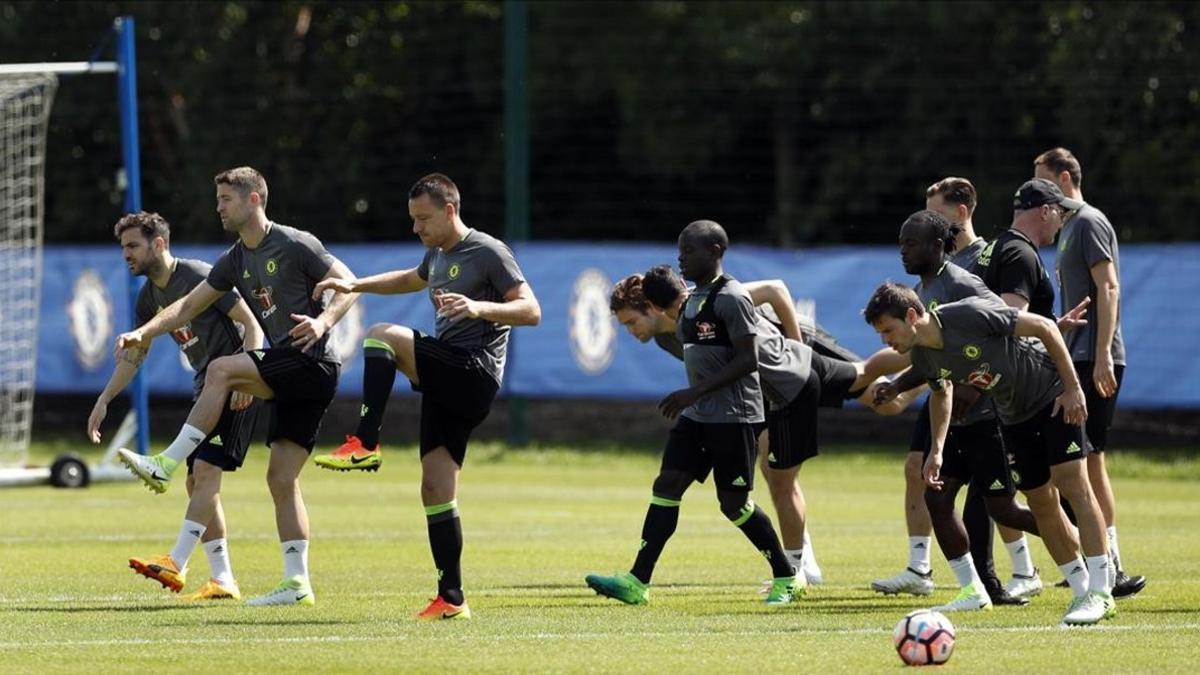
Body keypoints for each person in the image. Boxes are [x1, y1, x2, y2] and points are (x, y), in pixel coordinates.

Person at [115, 167, 359, 606]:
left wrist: (324, 320)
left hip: (312, 362)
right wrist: (145, 333)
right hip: (291, 372)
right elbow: (186, 307)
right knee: (281, 478)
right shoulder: (233, 259)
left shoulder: (294, 243)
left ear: (254, 200)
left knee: (221, 370)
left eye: (226, 198)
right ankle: (297, 583)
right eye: (218, 199)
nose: (219, 207)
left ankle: (168, 463)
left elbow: (349, 282)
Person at [311, 173, 541, 621]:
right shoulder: (436, 253)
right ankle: (451, 598)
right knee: (435, 487)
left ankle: (365, 442)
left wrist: (479, 308)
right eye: (413, 219)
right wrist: (354, 286)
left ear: (450, 210)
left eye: (423, 218)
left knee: (381, 337)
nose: (416, 228)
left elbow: (531, 310)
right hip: (447, 377)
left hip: (473, 369)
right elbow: (410, 279)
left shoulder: (489, 251)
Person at [609, 274, 916, 587]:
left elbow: (776, 290)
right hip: (764, 384)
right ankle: (800, 560)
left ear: (652, 307)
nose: (631, 332)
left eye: (631, 322)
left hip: (794, 349)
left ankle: (932, 358)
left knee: (889, 402)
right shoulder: (664, 336)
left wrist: (796, 348)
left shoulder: (706, 300)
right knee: (773, 467)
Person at [866, 279, 1117, 626]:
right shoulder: (924, 356)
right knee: (1041, 501)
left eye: (888, 330)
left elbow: (1043, 327)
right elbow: (942, 395)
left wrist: (1073, 388)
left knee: (1071, 484)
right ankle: (1081, 592)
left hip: (1052, 394)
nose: (885, 340)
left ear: (911, 315)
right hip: (1013, 415)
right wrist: (936, 452)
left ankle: (1102, 591)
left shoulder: (968, 314)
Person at [585, 221, 801, 607]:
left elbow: (748, 359)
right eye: (680, 252)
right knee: (667, 485)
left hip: (735, 415)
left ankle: (788, 575)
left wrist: (693, 391)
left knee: (734, 505)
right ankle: (637, 581)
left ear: (715, 251)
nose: (681, 258)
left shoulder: (732, 297)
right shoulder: (695, 301)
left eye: (688, 251)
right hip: (700, 415)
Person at [872, 210, 1043, 612]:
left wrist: (972, 386)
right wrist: (898, 385)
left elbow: (1000, 334)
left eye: (910, 243)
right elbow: (935, 360)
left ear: (936, 244)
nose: (903, 250)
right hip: (956, 413)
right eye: (901, 243)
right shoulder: (922, 290)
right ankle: (974, 591)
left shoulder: (963, 284)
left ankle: (1079, 544)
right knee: (940, 497)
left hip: (988, 414)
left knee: (1003, 508)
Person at [89, 211, 262, 601]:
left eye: (133, 246)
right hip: (208, 388)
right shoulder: (149, 297)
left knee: (204, 473)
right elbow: (135, 356)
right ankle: (222, 579)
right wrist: (105, 399)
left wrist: (248, 375)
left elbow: (252, 324)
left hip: (236, 383)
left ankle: (177, 562)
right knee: (195, 482)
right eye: (123, 248)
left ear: (159, 244)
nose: (126, 255)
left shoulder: (199, 275)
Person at [1035, 147, 1145, 598]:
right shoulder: (1067, 229)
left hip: (1092, 357)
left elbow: (1109, 287)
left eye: (1041, 180)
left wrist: (1101, 355)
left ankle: (1112, 562)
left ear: (1063, 180)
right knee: (1070, 461)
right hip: (1076, 354)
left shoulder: (1089, 221)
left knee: (1089, 459)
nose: (1037, 190)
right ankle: (1090, 556)